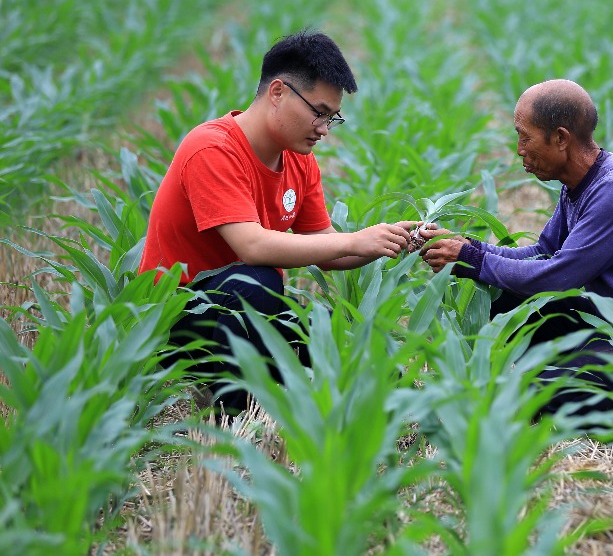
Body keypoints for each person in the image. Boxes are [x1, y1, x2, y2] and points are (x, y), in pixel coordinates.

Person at [139, 30, 415, 412]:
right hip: (182, 318)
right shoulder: (212, 148)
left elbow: (327, 249)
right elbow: (252, 247)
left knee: (349, 352)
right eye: (319, 112)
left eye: (333, 118)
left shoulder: (300, 160)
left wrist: (390, 241)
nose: (323, 129)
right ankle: (234, 414)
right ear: (278, 92)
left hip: (248, 309)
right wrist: (354, 240)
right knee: (257, 280)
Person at [419, 79, 613, 417]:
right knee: (499, 296)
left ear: (560, 139)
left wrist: (471, 258)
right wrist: (466, 249)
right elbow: (544, 254)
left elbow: (558, 277)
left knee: (529, 396)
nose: (519, 149)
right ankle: (576, 368)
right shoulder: (580, 180)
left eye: (525, 136)